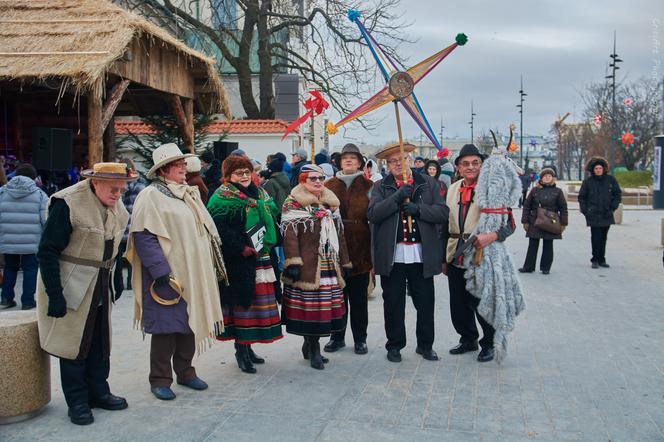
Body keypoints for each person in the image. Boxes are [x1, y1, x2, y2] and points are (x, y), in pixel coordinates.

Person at [36, 162, 137, 425]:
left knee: (100, 342)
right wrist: (55, 294)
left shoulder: (116, 204)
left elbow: (114, 248)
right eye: (113, 189)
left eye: (121, 189)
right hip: (72, 284)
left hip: (101, 284)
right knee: (75, 345)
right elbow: (47, 251)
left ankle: (99, 392)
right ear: (96, 183)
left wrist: (115, 281)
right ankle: (78, 401)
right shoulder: (67, 203)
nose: (118, 194)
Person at [125, 143, 224, 401]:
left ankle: (186, 371)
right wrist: (160, 272)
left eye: (183, 164)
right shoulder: (151, 196)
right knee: (166, 327)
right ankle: (159, 379)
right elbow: (144, 236)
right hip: (167, 274)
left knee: (189, 323)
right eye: (178, 165)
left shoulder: (187, 194)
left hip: (193, 272)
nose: (184, 168)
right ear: (164, 170)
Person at [368, 143, 448, 363]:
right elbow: (373, 214)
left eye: (403, 159)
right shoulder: (380, 186)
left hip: (421, 255)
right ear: (387, 165)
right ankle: (394, 345)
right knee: (393, 303)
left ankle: (425, 345)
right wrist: (396, 198)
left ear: (411, 161)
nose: (398, 164)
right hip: (393, 255)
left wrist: (419, 210)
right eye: (393, 161)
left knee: (425, 302)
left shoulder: (429, 184)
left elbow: (442, 213)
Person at [207, 156, 283, 373]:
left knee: (256, 305)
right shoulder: (221, 198)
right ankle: (241, 350)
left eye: (247, 172)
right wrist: (241, 248)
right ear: (228, 176)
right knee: (243, 307)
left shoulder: (262, 195)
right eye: (238, 173)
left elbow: (272, 217)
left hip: (262, 258)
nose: (244, 176)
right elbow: (219, 230)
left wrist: (270, 239)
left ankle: (249, 348)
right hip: (239, 262)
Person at [444, 144, 514, 363]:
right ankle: (468, 339)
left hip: (481, 255)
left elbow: (510, 224)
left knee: (482, 302)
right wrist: (443, 258)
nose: (470, 167)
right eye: (465, 163)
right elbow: (444, 224)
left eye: (475, 163)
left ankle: (489, 342)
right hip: (455, 252)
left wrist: (492, 236)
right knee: (458, 303)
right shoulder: (452, 188)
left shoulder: (493, 190)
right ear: (457, 167)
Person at [281, 164, 352, 370]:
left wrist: (345, 261)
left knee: (323, 310)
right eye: (313, 178)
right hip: (308, 264)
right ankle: (313, 349)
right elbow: (290, 235)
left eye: (320, 178)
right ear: (303, 181)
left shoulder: (331, 204)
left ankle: (310, 344)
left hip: (329, 263)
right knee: (311, 311)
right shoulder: (293, 204)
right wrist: (293, 261)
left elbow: (340, 235)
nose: (318, 181)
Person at [323, 143, 373, 355]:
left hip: (361, 246)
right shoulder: (328, 185)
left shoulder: (369, 186)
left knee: (359, 298)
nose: (349, 161)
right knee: (337, 297)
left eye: (353, 158)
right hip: (335, 247)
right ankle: (337, 336)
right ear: (339, 162)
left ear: (360, 162)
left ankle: (360, 339)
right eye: (345, 158)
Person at [0, 164, 48, 309]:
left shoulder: (2, 193)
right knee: (30, 269)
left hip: (7, 240)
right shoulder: (39, 194)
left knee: (9, 268)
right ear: (34, 178)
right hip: (32, 241)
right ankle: (27, 301)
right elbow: (45, 219)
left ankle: (6, 298)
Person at [519, 168, 568, 274]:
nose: (547, 177)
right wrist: (525, 221)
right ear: (541, 178)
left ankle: (545, 268)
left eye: (549, 176)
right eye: (545, 176)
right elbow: (527, 206)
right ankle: (529, 266)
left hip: (550, 222)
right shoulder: (534, 191)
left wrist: (563, 223)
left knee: (548, 245)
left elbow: (563, 207)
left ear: (553, 178)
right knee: (533, 244)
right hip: (535, 221)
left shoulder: (558, 191)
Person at [578, 156, 622, 269]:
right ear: (593, 169)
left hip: (606, 213)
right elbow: (582, 197)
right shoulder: (588, 182)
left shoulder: (610, 180)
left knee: (603, 237)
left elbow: (617, 194)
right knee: (595, 236)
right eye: (596, 168)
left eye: (600, 168)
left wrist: (613, 207)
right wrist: (585, 210)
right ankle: (595, 259)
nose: (598, 170)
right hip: (593, 213)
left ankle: (602, 259)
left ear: (603, 169)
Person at [113, 159, 145, 297]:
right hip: (134, 225)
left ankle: (119, 281)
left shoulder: (116, 186)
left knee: (118, 256)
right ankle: (130, 282)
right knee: (133, 255)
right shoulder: (141, 186)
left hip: (121, 225)